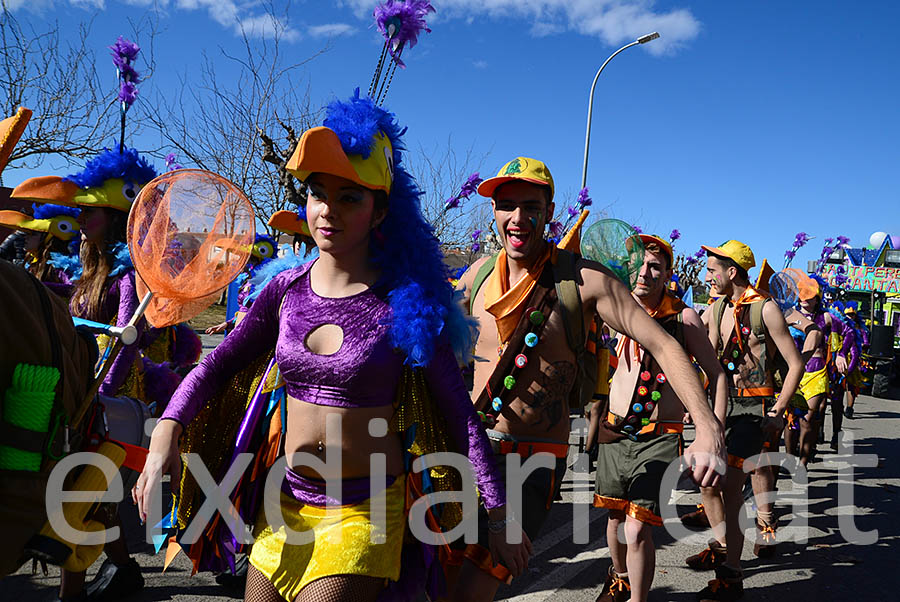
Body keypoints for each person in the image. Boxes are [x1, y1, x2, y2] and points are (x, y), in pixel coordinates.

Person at [134, 92, 530, 602]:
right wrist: (167, 429)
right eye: (319, 193)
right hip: (285, 505)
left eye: (350, 197)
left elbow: (459, 415)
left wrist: (499, 514)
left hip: (366, 513)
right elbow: (217, 364)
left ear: (380, 210)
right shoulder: (284, 292)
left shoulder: (406, 307)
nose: (328, 211)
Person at [451, 157, 725, 602]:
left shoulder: (584, 279)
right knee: (439, 583)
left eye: (530, 206)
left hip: (530, 463)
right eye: (506, 205)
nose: (518, 217)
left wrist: (709, 428)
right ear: (494, 212)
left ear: (549, 210)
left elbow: (664, 345)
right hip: (469, 453)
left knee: (472, 588)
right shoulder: (475, 276)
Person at [12, 146, 160, 601]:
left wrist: (100, 393)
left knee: (75, 496)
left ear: (116, 217)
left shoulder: (125, 275)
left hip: (102, 398)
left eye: (91, 212)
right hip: (80, 390)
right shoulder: (88, 267)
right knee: (91, 498)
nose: (81, 218)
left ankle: (71, 593)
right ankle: (124, 570)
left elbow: (131, 337)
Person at [588, 234, 727, 602]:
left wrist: (714, 432)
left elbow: (717, 375)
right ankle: (619, 580)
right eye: (640, 265)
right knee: (615, 520)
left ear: (667, 274)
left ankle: (638, 598)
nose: (645, 273)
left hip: (660, 437)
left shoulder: (683, 318)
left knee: (637, 529)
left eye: (655, 267)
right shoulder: (609, 308)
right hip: (614, 433)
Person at [687, 240, 804, 601]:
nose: (707, 277)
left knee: (730, 486)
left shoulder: (764, 309)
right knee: (707, 484)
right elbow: (706, 358)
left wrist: (776, 412)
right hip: (721, 407)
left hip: (755, 412)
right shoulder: (717, 306)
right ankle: (724, 547)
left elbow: (795, 364)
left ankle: (732, 575)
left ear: (731, 272)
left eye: (711, 270)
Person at [796, 277, 856, 449]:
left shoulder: (826, 317)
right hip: (793, 370)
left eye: (811, 295)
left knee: (814, 412)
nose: (806, 299)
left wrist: (841, 354)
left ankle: (830, 436)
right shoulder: (789, 315)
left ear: (818, 298)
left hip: (819, 369)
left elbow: (850, 332)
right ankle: (803, 447)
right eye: (802, 294)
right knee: (793, 419)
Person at [0, 204, 81, 285]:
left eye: (33, 234)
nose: (26, 237)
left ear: (48, 240)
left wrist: (39, 287)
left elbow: (72, 288)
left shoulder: (60, 268)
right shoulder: (31, 263)